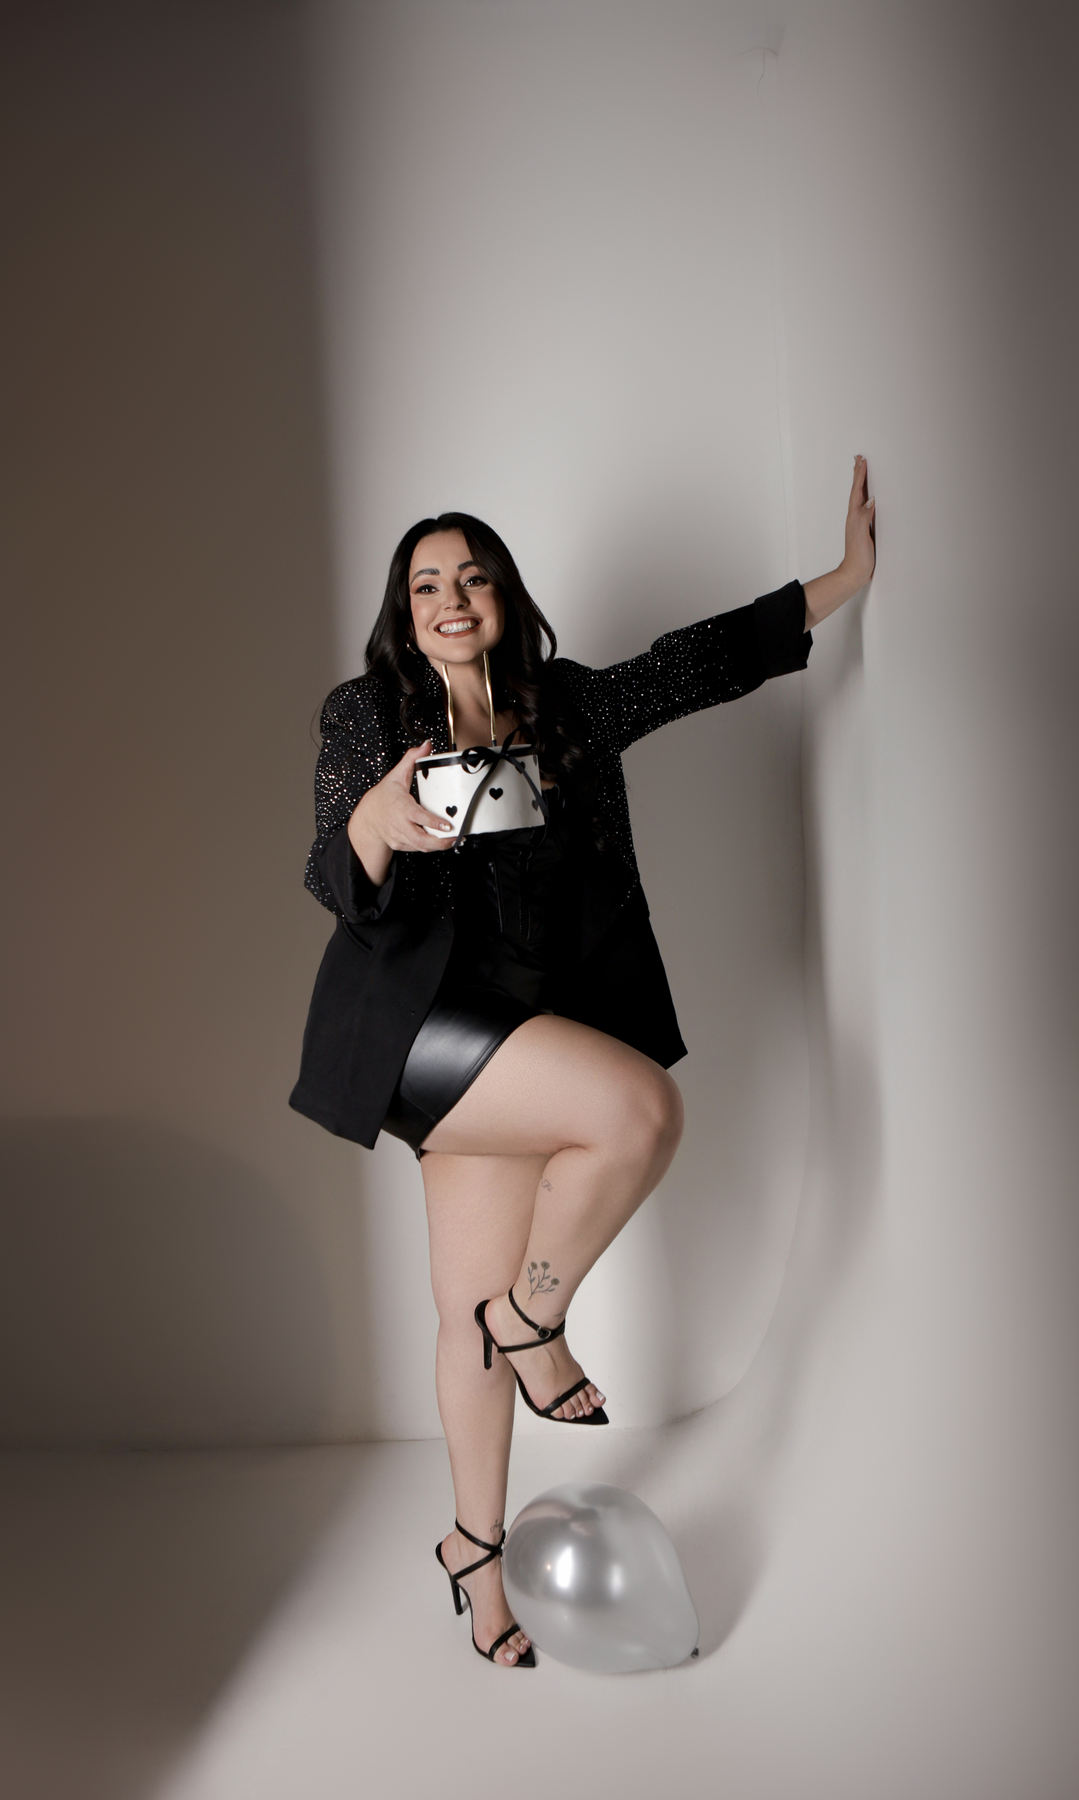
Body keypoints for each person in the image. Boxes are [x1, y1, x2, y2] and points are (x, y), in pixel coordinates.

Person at [291, 460, 876, 1666]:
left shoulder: (562, 708)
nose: (452, 600)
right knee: (638, 1112)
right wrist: (374, 826)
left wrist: (838, 582)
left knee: (465, 1318)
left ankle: (473, 1550)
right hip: (419, 1027)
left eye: (472, 578)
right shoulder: (368, 716)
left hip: (523, 1029)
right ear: (405, 613)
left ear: (503, 595)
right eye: (426, 586)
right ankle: (537, 1318)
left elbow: (689, 665)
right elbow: (331, 871)